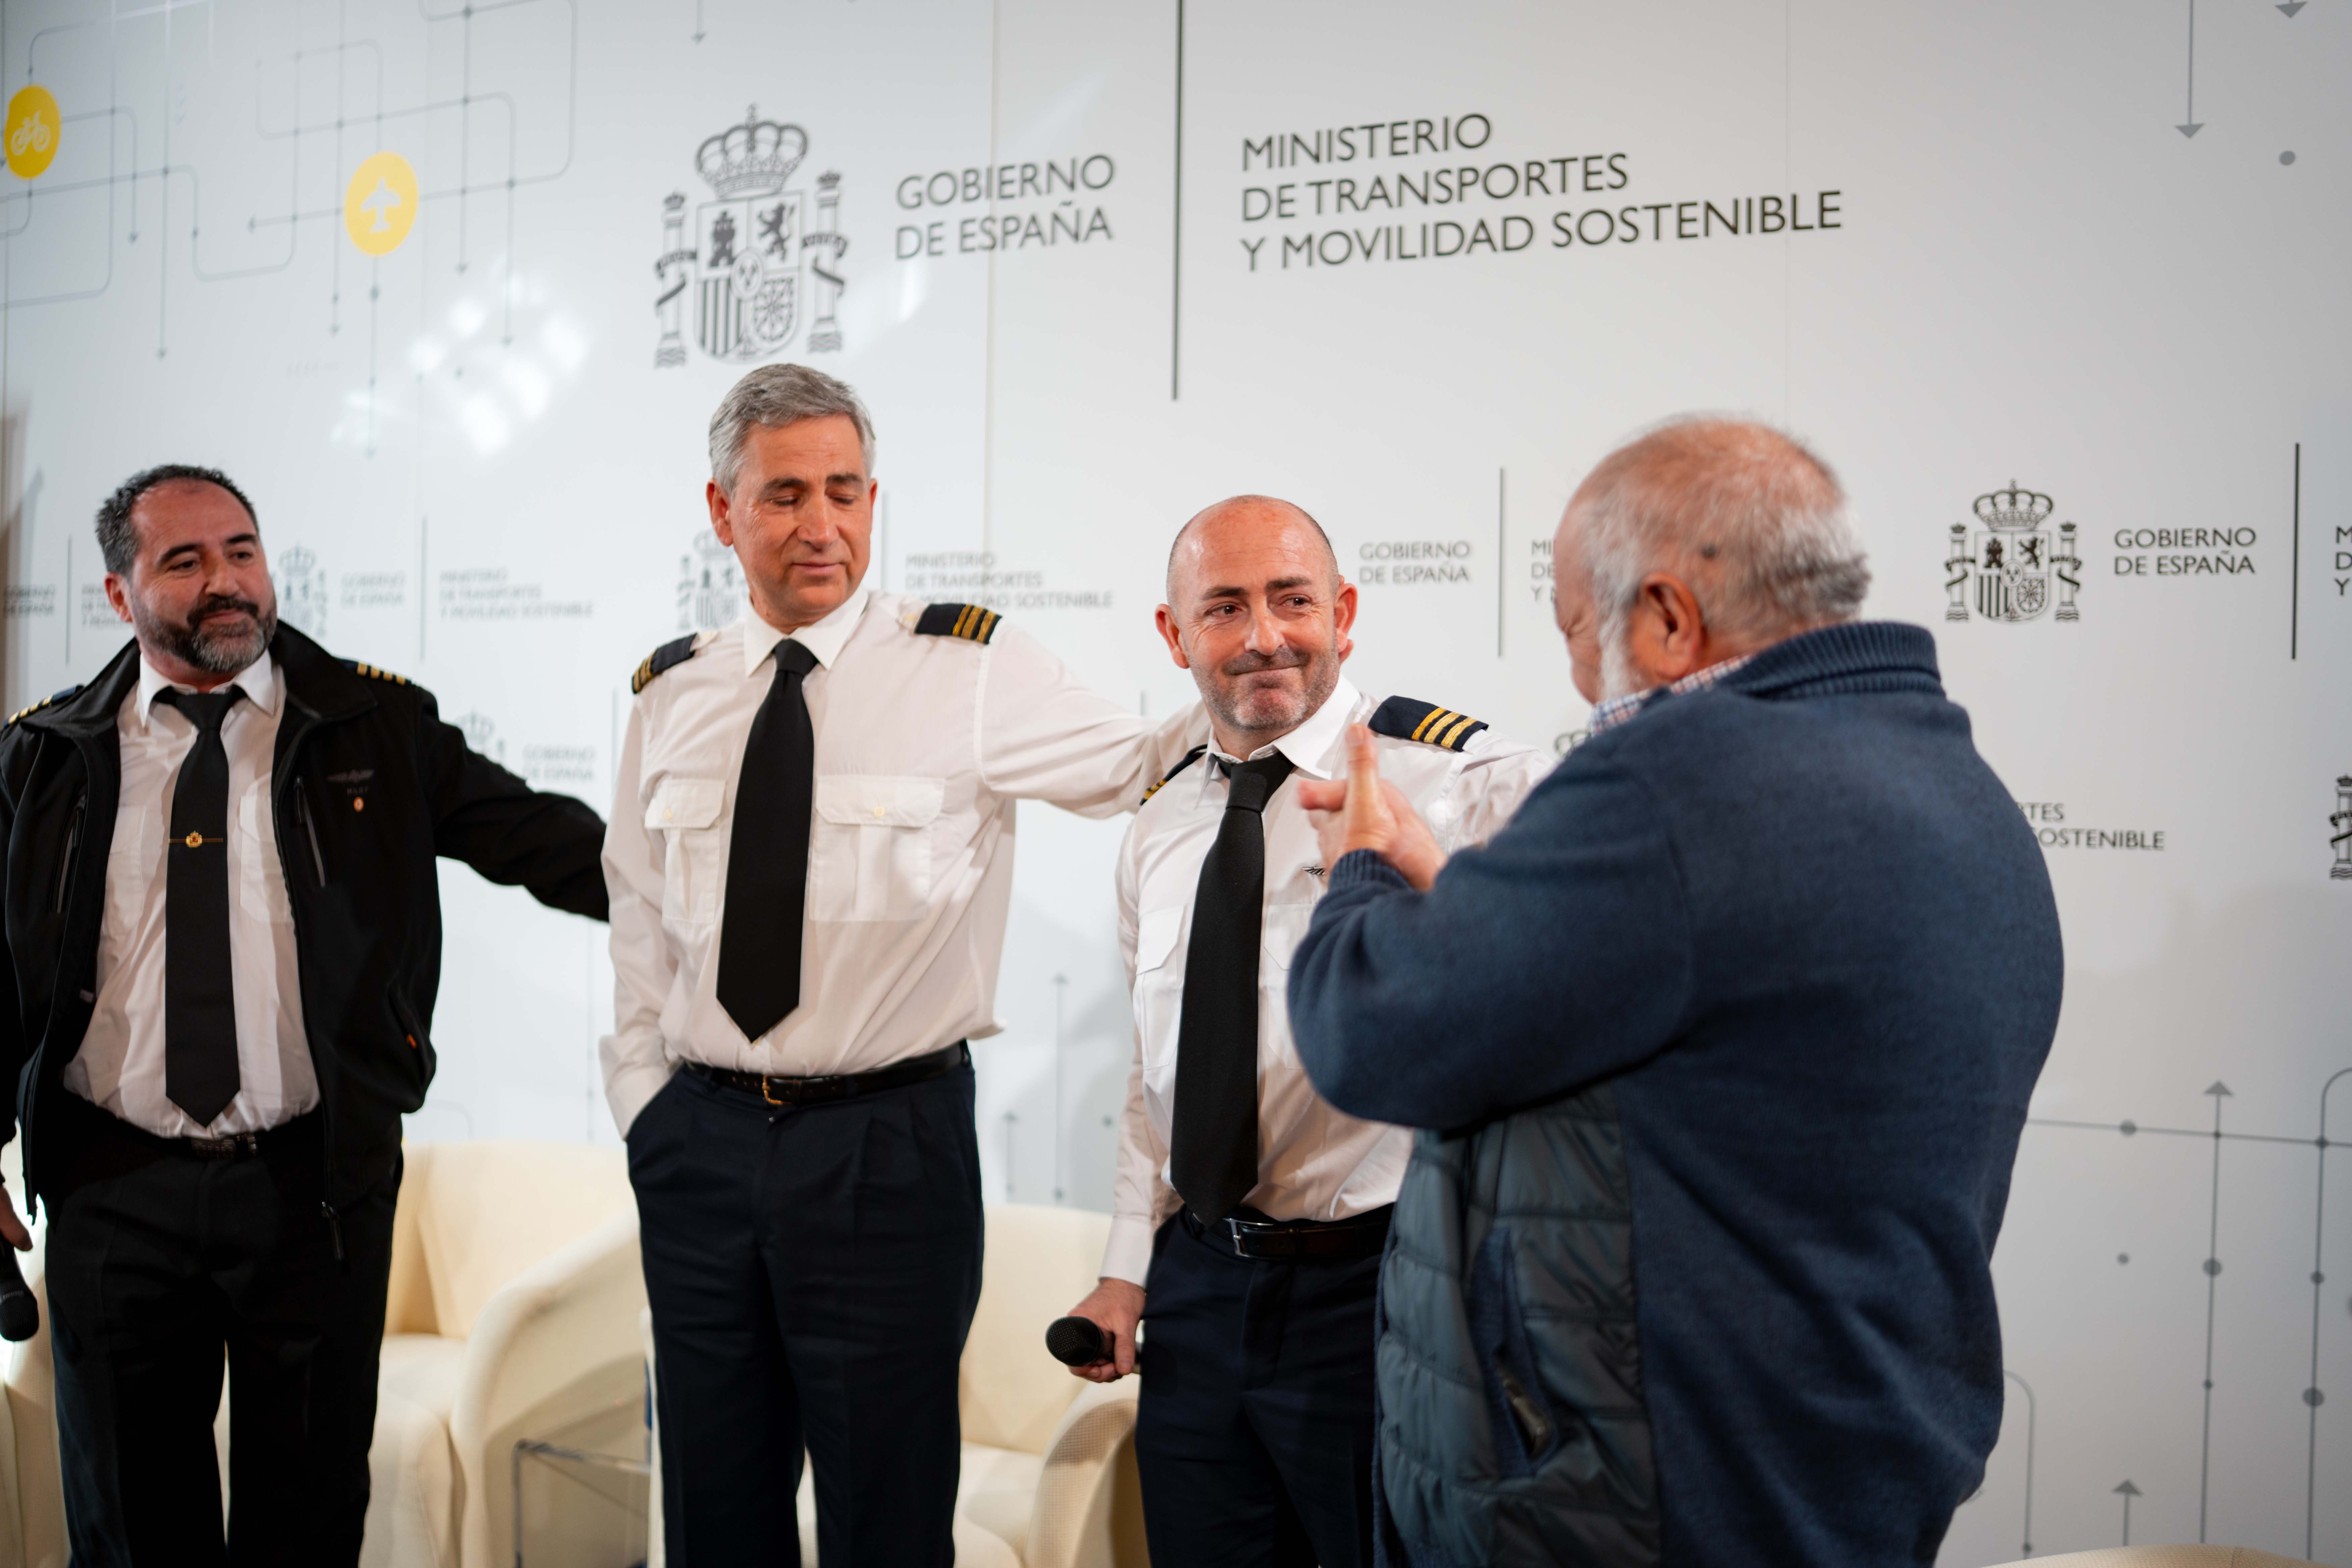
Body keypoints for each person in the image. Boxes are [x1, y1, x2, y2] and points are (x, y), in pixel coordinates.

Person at [1285, 419, 2063, 1566]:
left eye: (1573, 627)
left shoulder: (1679, 782)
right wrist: (1445, 885)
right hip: (1839, 1465)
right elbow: (1697, 1017)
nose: (1573, 670)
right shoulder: (1962, 788)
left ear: (1665, 619)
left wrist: (1358, 862)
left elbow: (1363, 1030)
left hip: (1645, 1497)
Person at [603, 363, 1206, 1568]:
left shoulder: (968, 667)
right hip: (701, 1147)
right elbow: (638, 916)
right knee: (714, 1516)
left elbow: (1146, 765)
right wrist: (645, 1109)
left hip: (885, 1151)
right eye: (784, 495)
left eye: (845, 491)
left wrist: (1271, 677)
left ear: (874, 500)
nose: (820, 524)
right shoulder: (671, 692)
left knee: (888, 1517)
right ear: (724, 511)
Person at [0, 464, 609, 1566]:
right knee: (132, 1531)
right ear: (119, 593)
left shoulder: (375, 725)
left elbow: (543, 843)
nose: (226, 580)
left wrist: (716, 895)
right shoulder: (46, 757)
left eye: (241, 550)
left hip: (312, 1190)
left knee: (310, 1526)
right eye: (185, 561)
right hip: (109, 1191)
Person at [1059, 496, 1552, 1568]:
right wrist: (1127, 1270)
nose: (1264, 637)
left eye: (1293, 601)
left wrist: (1435, 878)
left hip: (1382, 1291)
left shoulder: (1461, 782)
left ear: (1346, 614)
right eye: (1225, 609)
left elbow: (1588, 959)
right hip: (1199, 1290)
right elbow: (1159, 1076)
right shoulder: (1159, 823)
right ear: (1175, 634)